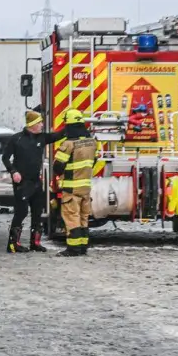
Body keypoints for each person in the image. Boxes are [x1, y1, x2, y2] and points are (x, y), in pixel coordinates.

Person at [0, 109, 61, 253]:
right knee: (21, 212)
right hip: (22, 183)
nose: (41, 125)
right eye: (39, 122)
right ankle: (13, 244)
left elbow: (57, 136)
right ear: (32, 124)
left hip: (36, 182)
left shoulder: (42, 138)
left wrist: (72, 127)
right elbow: (5, 158)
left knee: (37, 212)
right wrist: (13, 171)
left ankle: (36, 242)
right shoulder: (17, 139)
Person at [52, 108, 98, 256]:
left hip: (71, 189)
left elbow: (57, 167)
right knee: (84, 217)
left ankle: (73, 248)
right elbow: (94, 161)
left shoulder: (68, 144)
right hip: (86, 187)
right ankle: (83, 246)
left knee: (72, 217)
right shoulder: (92, 142)